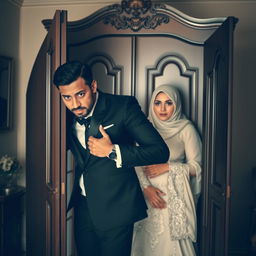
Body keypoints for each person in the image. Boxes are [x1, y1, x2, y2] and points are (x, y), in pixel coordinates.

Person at [53, 61, 169, 256]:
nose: (75, 104)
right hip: (83, 207)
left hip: (117, 207)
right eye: (67, 97)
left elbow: (159, 151)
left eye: (81, 94)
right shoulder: (62, 114)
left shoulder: (124, 107)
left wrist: (113, 151)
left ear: (93, 86)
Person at [131, 84, 202, 256]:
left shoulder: (186, 129)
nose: (162, 108)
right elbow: (135, 161)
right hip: (146, 196)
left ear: (176, 105)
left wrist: (167, 166)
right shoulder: (144, 128)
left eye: (168, 103)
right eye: (157, 103)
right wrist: (146, 188)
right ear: (151, 105)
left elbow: (196, 167)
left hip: (173, 198)